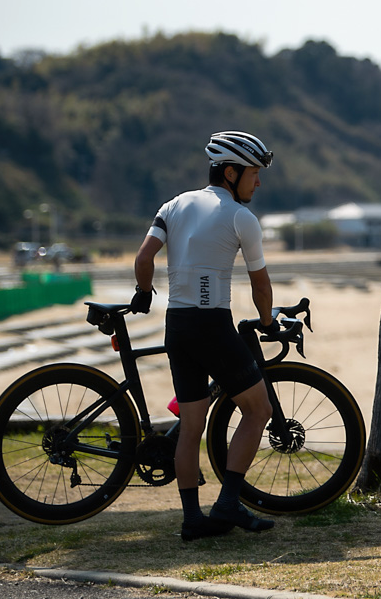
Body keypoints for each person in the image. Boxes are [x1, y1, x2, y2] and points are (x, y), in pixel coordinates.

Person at [131, 130, 279, 542]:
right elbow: (261, 286)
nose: (258, 182)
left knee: (192, 423)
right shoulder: (240, 217)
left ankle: (192, 519)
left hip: (177, 325)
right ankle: (229, 501)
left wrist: (144, 293)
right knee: (259, 409)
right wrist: (267, 323)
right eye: (253, 173)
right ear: (231, 173)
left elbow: (144, 258)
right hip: (212, 324)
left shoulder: (175, 204)